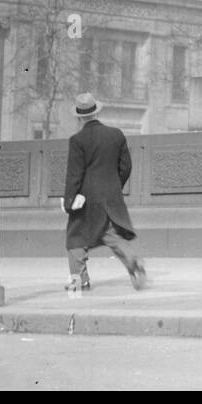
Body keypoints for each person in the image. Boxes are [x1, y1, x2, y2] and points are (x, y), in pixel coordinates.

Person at [62, 93, 147, 295]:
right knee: (110, 234)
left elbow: (74, 174)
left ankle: (79, 281)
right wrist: (114, 186)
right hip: (111, 195)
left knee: (75, 237)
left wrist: (69, 201)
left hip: (86, 198)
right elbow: (126, 166)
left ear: (79, 116)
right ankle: (133, 259)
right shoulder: (116, 134)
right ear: (96, 111)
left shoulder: (77, 140)